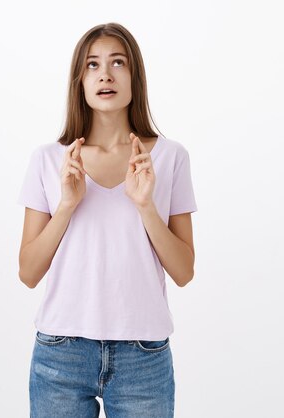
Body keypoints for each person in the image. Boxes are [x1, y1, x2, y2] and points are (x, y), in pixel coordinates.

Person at [17, 22, 197, 418]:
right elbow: (29, 272)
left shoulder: (169, 158)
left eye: (118, 62)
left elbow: (184, 272)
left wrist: (145, 205)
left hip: (143, 358)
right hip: (60, 354)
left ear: (135, 76)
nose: (105, 74)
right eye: (92, 65)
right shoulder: (50, 160)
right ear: (79, 80)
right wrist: (66, 205)